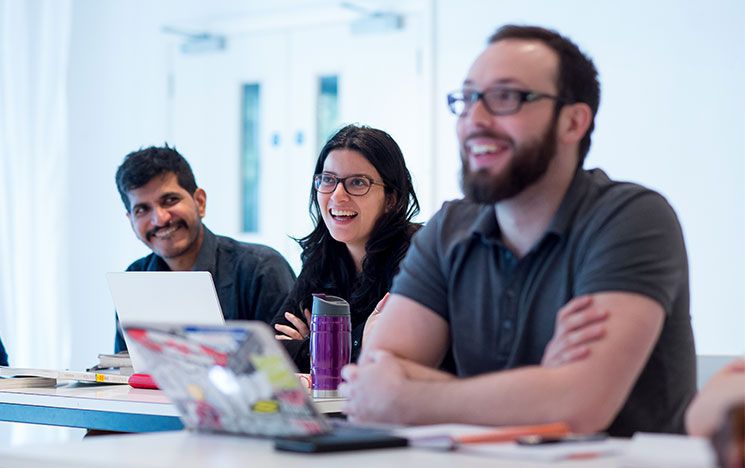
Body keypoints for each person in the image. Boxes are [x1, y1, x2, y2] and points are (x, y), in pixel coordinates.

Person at [340, 25, 696, 437]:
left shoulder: (631, 218)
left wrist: (411, 397)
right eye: (468, 98)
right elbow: (372, 385)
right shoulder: (447, 231)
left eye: (506, 98)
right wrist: (546, 386)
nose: (475, 118)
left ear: (573, 122)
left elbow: (579, 409)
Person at [113, 145, 296, 352]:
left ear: (199, 202)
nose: (160, 219)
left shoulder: (261, 269)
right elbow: (127, 371)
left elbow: (287, 371)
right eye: (142, 209)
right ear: (131, 221)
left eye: (170, 200)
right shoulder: (135, 278)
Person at [270, 125, 420, 372]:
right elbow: (272, 354)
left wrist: (313, 345)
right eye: (328, 180)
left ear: (391, 199)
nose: (337, 196)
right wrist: (337, 348)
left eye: (358, 182)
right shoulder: (323, 254)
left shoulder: (416, 256)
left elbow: (388, 360)